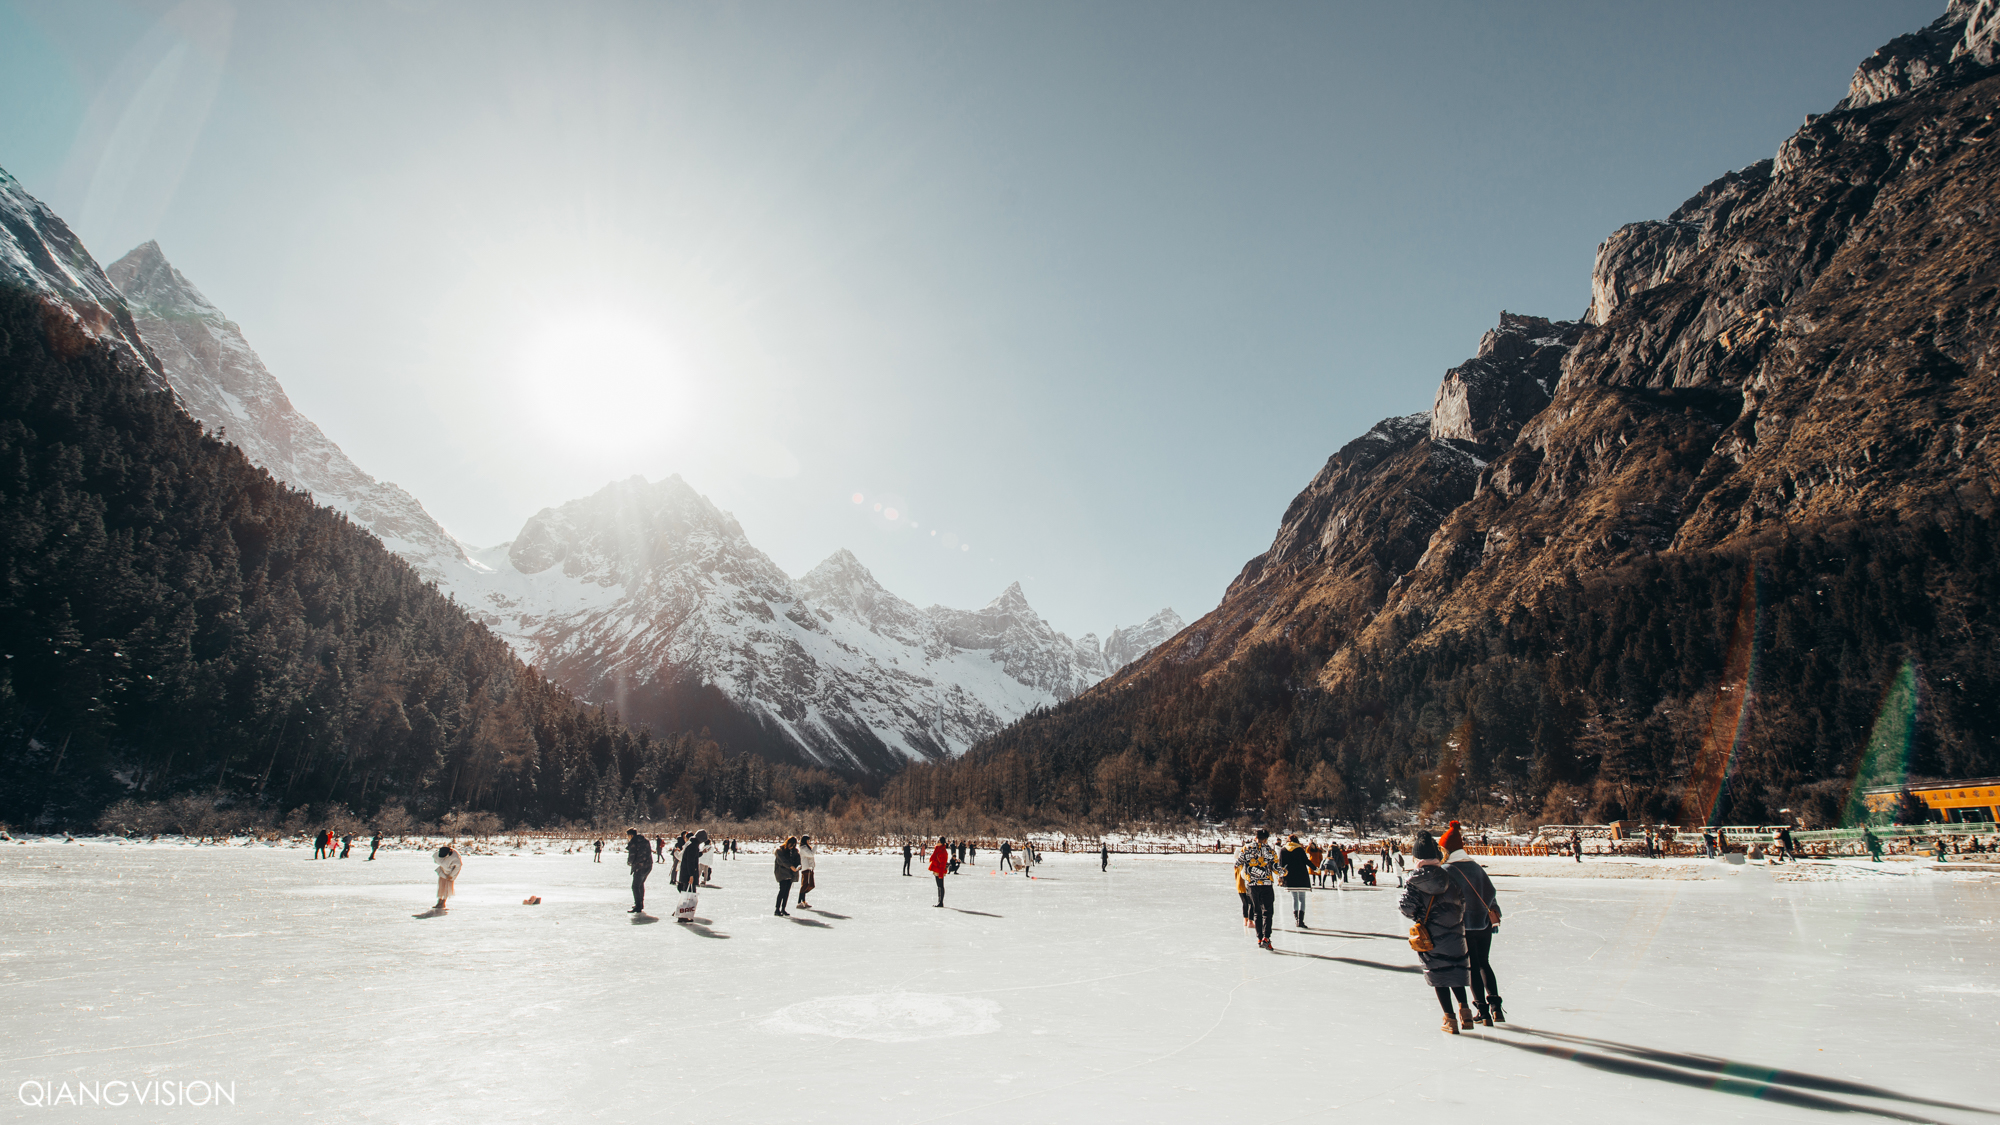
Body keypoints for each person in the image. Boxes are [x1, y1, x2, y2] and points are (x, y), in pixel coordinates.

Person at [1398, 830, 1471, 1034]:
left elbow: (1406, 907)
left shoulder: (1415, 881)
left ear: (1417, 858)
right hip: (1455, 933)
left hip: (1431, 935)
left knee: (1439, 976)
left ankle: (1450, 1019)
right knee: (1455, 971)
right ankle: (1466, 1013)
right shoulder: (1450, 877)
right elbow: (1462, 903)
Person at [1443, 823, 1504, 1026]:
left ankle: (1483, 1012)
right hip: (1485, 924)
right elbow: (1491, 893)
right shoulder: (1476, 867)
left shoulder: (1447, 870)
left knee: (1472, 967)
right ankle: (1496, 1008)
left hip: (1464, 926)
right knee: (1484, 963)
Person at [1234, 828, 1280, 950]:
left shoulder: (1246, 848)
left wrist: (1248, 872)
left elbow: (1237, 863)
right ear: (1265, 839)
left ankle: (1259, 939)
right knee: (1268, 912)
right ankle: (1266, 938)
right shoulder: (1270, 850)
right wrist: (1283, 873)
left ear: (1256, 837)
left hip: (1252, 886)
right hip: (1266, 885)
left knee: (1257, 912)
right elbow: (1276, 867)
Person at [1279, 834, 1313, 929]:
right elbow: (1306, 861)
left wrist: (1280, 877)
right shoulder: (1300, 849)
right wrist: (1316, 868)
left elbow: (1281, 865)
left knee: (1294, 898)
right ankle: (1300, 921)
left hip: (1290, 877)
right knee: (1302, 898)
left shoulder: (1283, 850)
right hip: (1302, 876)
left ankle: (1296, 919)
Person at [625, 827, 652, 914]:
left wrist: (629, 862)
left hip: (639, 866)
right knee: (640, 884)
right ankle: (640, 903)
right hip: (648, 866)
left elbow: (632, 855)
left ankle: (638, 905)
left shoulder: (633, 842)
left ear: (631, 835)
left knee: (635, 886)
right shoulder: (645, 841)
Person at [774, 835, 802, 916]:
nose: (792, 847)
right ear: (788, 843)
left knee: (787, 892)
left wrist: (798, 867)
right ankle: (777, 909)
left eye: (794, 845)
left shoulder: (795, 852)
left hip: (790, 874)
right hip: (782, 873)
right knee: (782, 891)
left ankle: (783, 909)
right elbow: (782, 861)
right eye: (791, 845)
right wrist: (790, 866)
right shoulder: (780, 851)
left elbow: (798, 861)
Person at [432, 841, 462, 912]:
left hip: (450, 873)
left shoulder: (455, 857)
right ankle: (439, 901)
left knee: (447, 888)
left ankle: (443, 902)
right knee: (441, 887)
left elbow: (458, 867)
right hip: (443, 872)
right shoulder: (440, 853)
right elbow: (436, 858)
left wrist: (451, 875)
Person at [797, 834, 817, 908]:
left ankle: (803, 901)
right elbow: (811, 854)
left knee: (810, 885)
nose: (809, 841)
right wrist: (815, 846)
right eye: (808, 840)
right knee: (805, 885)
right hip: (806, 868)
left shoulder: (806, 847)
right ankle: (799, 901)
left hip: (809, 868)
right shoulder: (803, 848)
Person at [928, 837, 950, 906]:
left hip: (940, 870)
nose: (937, 842)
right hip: (936, 869)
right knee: (939, 886)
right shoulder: (937, 849)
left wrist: (941, 874)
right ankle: (939, 901)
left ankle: (941, 902)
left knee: (941, 886)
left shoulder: (943, 852)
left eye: (938, 841)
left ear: (941, 843)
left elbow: (943, 864)